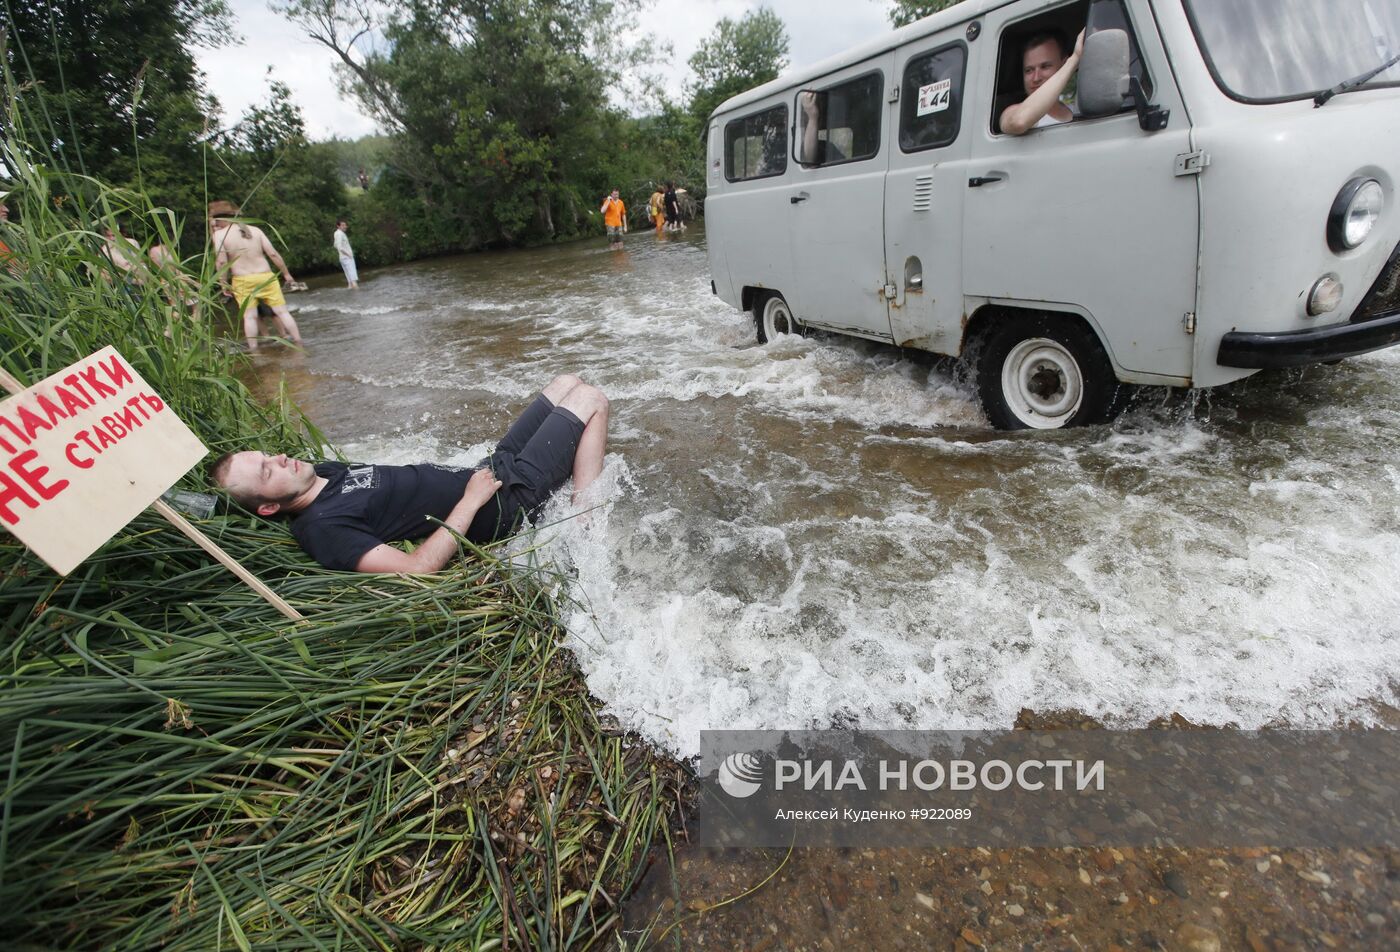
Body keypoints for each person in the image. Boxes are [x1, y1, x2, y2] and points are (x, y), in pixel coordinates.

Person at [210, 375, 610, 573]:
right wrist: (470, 502)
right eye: (267, 471)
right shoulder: (322, 527)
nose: (280, 457)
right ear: (267, 508)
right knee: (592, 400)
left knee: (567, 383)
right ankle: (584, 523)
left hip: (492, 469)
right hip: (508, 502)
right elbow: (418, 569)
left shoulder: (324, 474)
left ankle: (571, 473)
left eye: (268, 455)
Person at [208, 199, 303, 351]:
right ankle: (299, 342)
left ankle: (254, 351)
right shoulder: (255, 230)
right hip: (266, 276)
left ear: (221, 219)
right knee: (282, 312)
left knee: (250, 317)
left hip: (243, 280)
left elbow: (221, 262)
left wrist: (223, 282)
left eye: (217, 220)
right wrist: (286, 274)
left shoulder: (220, 235)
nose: (216, 223)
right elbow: (272, 253)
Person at [1000, 28, 1084, 135]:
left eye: (1045, 66)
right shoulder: (1012, 113)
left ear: (1063, 65)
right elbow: (1018, 122)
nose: (1036, 78)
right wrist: (1075, 59)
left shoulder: (1077, 110)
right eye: (1029, 70)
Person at [333, 218, 358, 289]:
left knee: (350, 281)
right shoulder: (339, 234)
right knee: (353, 279)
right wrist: (348, 254)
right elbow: (339, 247)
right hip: (347, 258)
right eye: (343, 225)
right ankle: (358, 296)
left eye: (345, 225)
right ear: (338, 226)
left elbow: (335, 245)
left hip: (343, 258)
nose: (345, 226)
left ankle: (351, 295)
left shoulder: (337, 233)